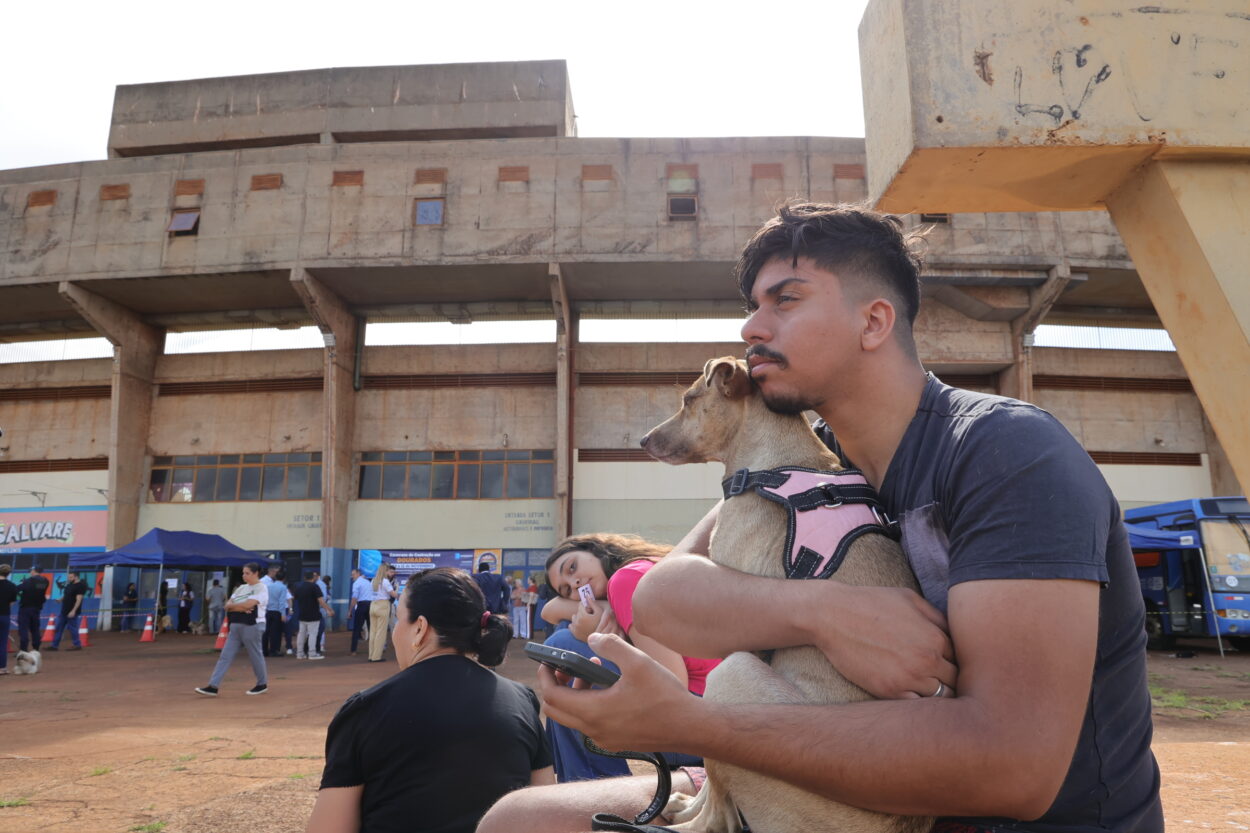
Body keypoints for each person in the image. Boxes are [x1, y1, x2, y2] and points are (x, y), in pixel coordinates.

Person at [486, 202, 1163, 833]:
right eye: (753, 306)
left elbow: (1013, 768)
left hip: (978, 812)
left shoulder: (1004, 454)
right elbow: (663, 595)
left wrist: (694, 723)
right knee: (517, 819)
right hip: (827, 774)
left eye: (786, 300)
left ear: (873, 322)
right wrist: (825, 611)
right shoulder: (810, 464)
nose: (752, 328)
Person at [305, 567, 552, 833]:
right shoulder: (522, 700)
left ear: (420, 628)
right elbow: (546, 807)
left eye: (399, 619)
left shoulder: (365, 709)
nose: (395, 631)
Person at [541, 533, 716, 782]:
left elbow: (673, 686)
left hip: (698, 723)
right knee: (565, 638)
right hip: (712, 708)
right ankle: (582, 782)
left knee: (563, 645)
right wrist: (607, 610)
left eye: (572, 567)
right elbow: (550, 610)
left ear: (594, 549)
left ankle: (593, 791)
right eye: (567, 589)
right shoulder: (645, 567)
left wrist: (607, 639)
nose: (576, 582)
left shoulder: (626, 580)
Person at [195, 562, 269, 697]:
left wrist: (237, 606)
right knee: (225, 656)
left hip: (252, 625)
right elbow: (227, 605)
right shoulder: (241, 588)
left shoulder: (261, 588)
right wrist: (240, 607)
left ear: (256, 573)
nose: (244, 576)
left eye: (247, 573)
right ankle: (213, 686)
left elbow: (248, 605)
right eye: (243, 573)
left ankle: (262, 684)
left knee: (255, 655)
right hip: (236, 625)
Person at [293, 569, 335, 660]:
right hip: (313, 614)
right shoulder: (315, 587)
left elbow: (294, 598)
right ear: (313, 577)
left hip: (302, 614)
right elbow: (321, 601)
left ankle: (300, 654)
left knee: (301, 634)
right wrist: (329, 610)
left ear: (304, 577)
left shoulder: (299, 587)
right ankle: (312, 653)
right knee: (312, 634)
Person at [48, 571, 88, 650]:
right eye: (69, 577)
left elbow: (79, 600)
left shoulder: (80, 586)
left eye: (71, 577)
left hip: (71, 612)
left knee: (72, 629)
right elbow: (66, 595)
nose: (69, 579)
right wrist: (60, 599)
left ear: (76, 577)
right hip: (64, 611)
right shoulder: (69, 585)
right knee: (59, 628)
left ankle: (77, 645)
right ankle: (54, 646)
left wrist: (73, 611)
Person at [16, 566, 50, 652]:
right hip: (37, 608)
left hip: (25, 608)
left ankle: (23, 649)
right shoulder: (45, 581)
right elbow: (37, 590)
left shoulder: (29, 581)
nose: (30, 572)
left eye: (31, 570)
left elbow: (18, 589)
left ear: (34, 571)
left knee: (23, 629)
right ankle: (36, 649)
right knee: (35, 629)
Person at [367, 564, 396, 662]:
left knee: (373, 632)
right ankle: (376, 657)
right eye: (388, 571)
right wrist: (399, 593)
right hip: (383, 605)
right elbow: (393, 594)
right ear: (385, 571)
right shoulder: (385, 581)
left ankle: (371, 655)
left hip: (373, 605)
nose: (390, 573)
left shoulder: (373, 581)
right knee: (381, 632)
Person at [263, 570, 290, 657]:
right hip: (277, 612)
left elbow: (266, 599)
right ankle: (274, 650)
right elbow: (282, 602)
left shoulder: (269, 586)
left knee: (266, 632)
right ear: (284, 578)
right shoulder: (283, 587)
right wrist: (283, 614)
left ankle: (264, 650)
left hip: (268, 611)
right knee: (276, 632)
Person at [349, 567, 372, 656]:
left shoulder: (356, 583)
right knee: (371, 629)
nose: (352, 576)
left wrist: (350, 610)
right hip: (370, 605)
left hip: (362, 605)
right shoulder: (367, 582)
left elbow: (354, 598)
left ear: (358, 573)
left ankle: (353, 650)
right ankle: (373, 649)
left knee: (357, 628)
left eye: (353, 574)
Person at [0, 564, 18, 674]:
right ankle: (2, 668)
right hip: (4, 615)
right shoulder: (12, 586)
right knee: (2, 642)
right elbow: (12, 602)